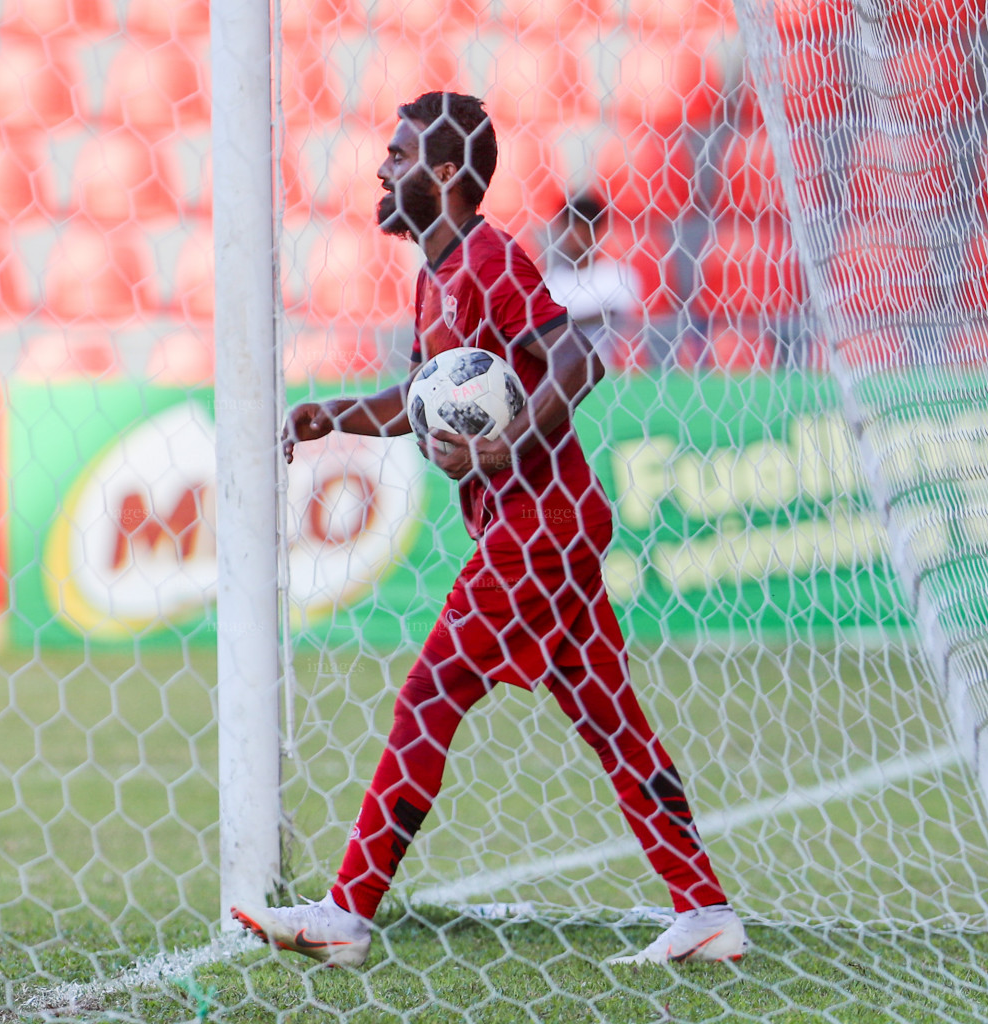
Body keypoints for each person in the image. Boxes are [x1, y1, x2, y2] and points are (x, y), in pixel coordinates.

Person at [230, 92, 746, 968]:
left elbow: (579, 357)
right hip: (551, 523)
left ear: (443, 174)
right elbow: (422, 404)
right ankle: (705, 910)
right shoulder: (433, 277)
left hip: (534, 529)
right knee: (610, 720)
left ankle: (347, 914)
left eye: (398, 156)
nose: (382, 169)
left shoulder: (491, 258)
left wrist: (507, 441)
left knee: (430, 695)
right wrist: (338, 416)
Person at [542, 192, 643, 332]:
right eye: (569, 224)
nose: (574, 232)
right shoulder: (547, 282)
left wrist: (561, 324)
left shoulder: (620, 276)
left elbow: (615, 317)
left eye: (581, 225)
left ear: (596, 229)